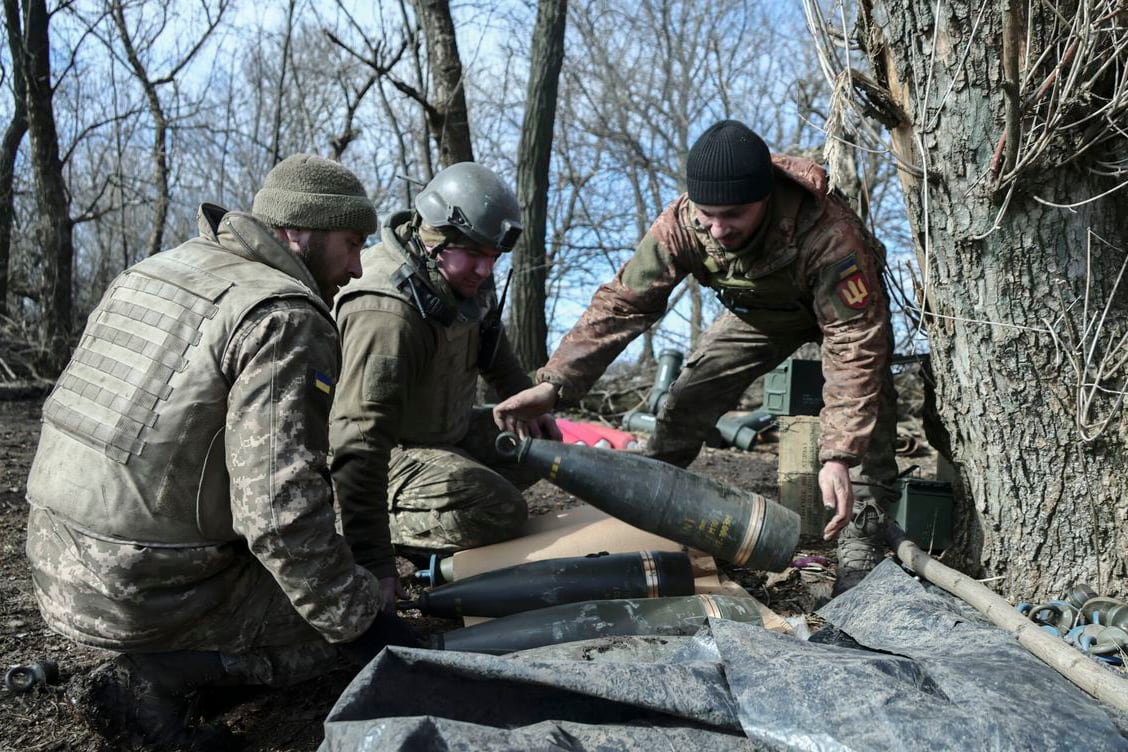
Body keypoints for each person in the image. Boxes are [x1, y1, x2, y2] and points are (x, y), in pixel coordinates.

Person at [24, 154, 417, 750]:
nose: (357, 268)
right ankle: (155, 682)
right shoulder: (284, 314)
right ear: (300, 231)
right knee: (331, 627)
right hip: (144, 588)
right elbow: (280, 518)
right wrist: (368, 625)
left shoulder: (152, 271)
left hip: (53, 560)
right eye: (351, 243)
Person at [493, 120, 899, 595]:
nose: (718, 229)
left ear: (766, 198)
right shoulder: (682, 224)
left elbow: (854, 342)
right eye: (709, 215)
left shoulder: (829, 233)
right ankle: (644, 504)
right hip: (761, 316)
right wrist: (553, 384)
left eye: (734, 215)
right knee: (685, 400)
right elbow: (622, 304)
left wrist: (837, 454)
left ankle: (864, 530)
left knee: (871, 410)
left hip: (845, 317)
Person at [329, 162, 558, 594]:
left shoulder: (462, 281)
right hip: (377, 458)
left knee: (542, 447)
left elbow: (495, 354)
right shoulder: (386, 311)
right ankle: (351, 522)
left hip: (441, 433)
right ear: (436, 238)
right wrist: (374, 561)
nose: (485, 270)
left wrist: (526, 400)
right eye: (475, 255)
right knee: (499, 509)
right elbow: (359, 442)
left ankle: (435, 506)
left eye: (493, 258)